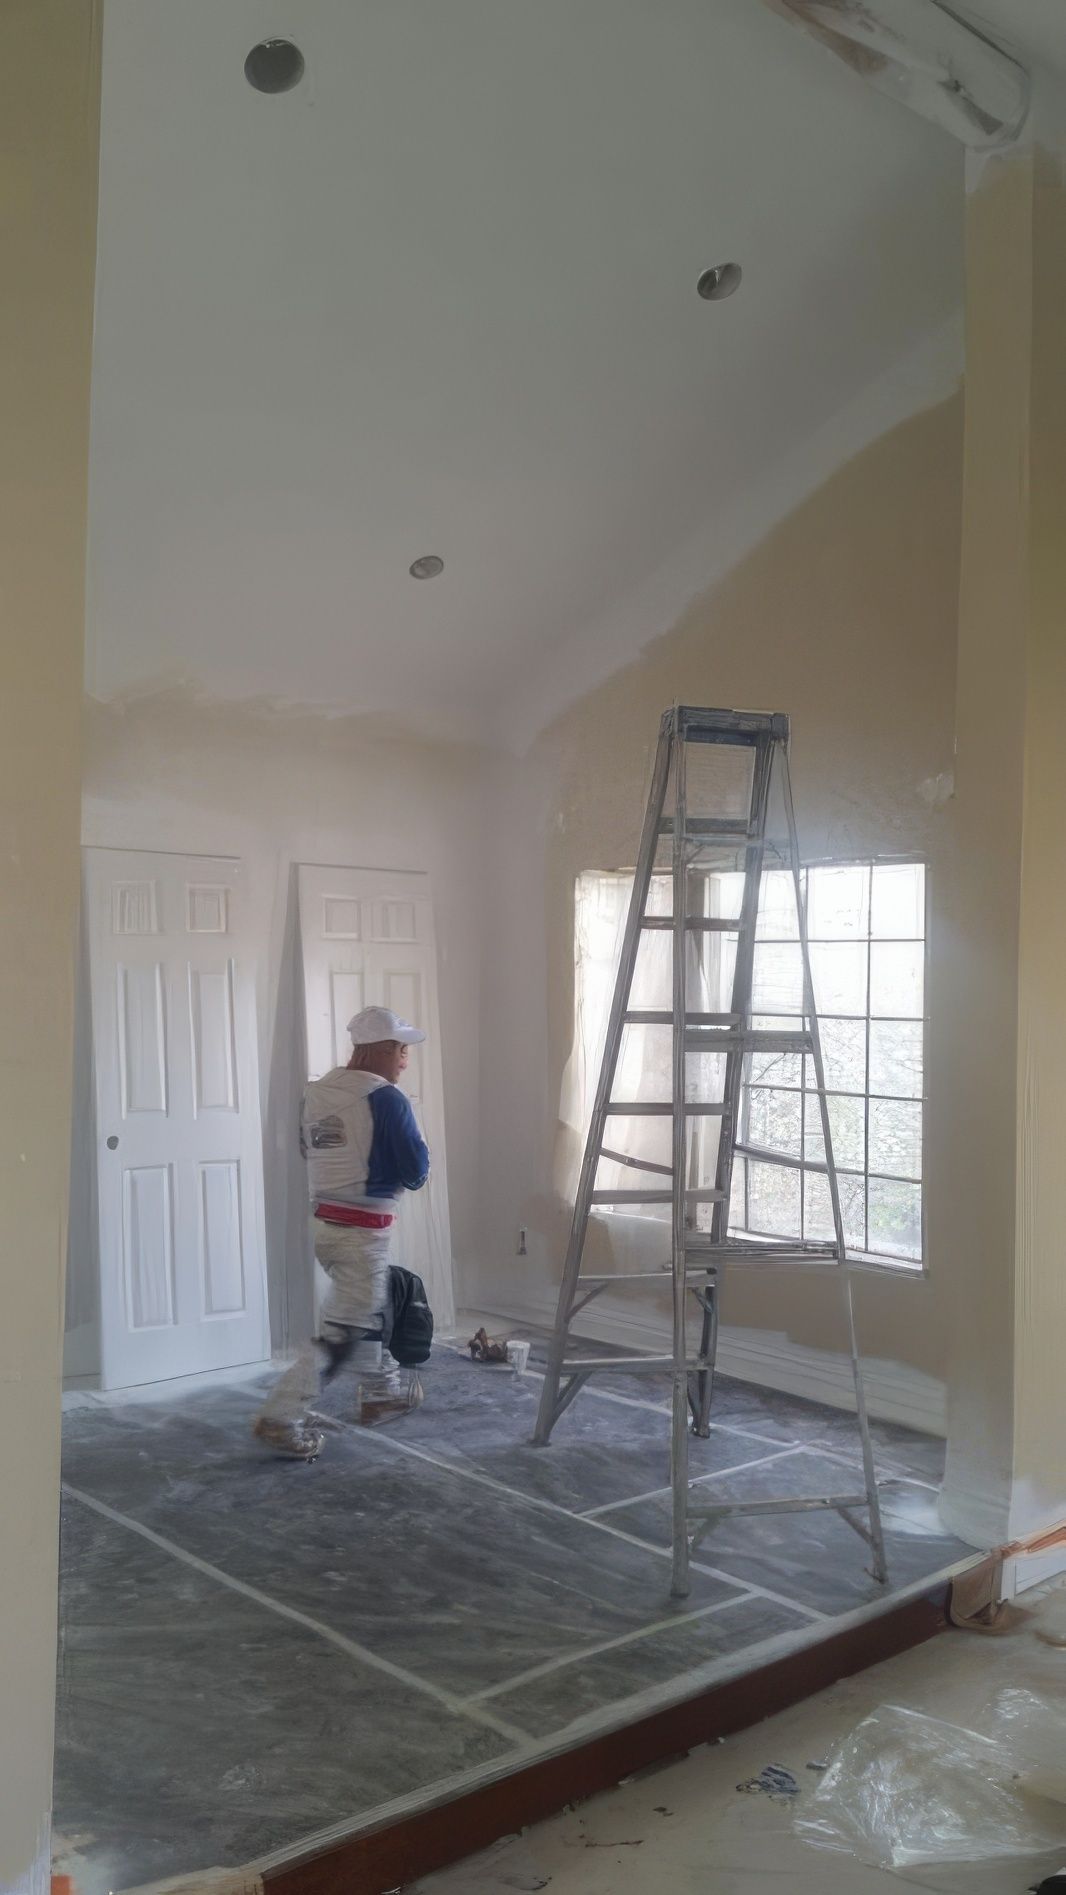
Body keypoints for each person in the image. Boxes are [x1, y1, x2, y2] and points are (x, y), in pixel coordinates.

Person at [253, 1005, 431, 1459]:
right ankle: (282, 1415)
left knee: (367, 1306)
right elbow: (415, 1172)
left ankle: (381, 1393)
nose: (405, 1062)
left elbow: (307, 1149)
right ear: (383, 1050)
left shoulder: (317, 1093)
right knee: (343, 1331)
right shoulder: (387, 1099)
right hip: (362, 1233)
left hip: (326, 1227)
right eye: (402, 1051)